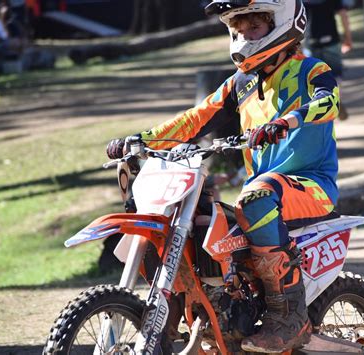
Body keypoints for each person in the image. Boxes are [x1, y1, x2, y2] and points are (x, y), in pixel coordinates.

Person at [106, 0, 340, 352]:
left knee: (257, 196)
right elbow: (196, 118)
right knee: (201, 219)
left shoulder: (310, 68)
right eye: (238, 30)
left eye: (255, 28)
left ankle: (288, 314)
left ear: (282, 23)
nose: (245, 38)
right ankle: (187, 307)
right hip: (263, 189)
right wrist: (141, 140)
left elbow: (330, 101)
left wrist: (287, 121)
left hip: (311, 185)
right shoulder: (240, 83)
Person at [303, 0, 352, 120]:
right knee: (335, 76)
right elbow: (343, 15)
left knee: (312, 78)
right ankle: (336, 100)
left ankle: (320, 108)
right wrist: (348, 39)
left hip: (311, 42)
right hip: (331, 40)